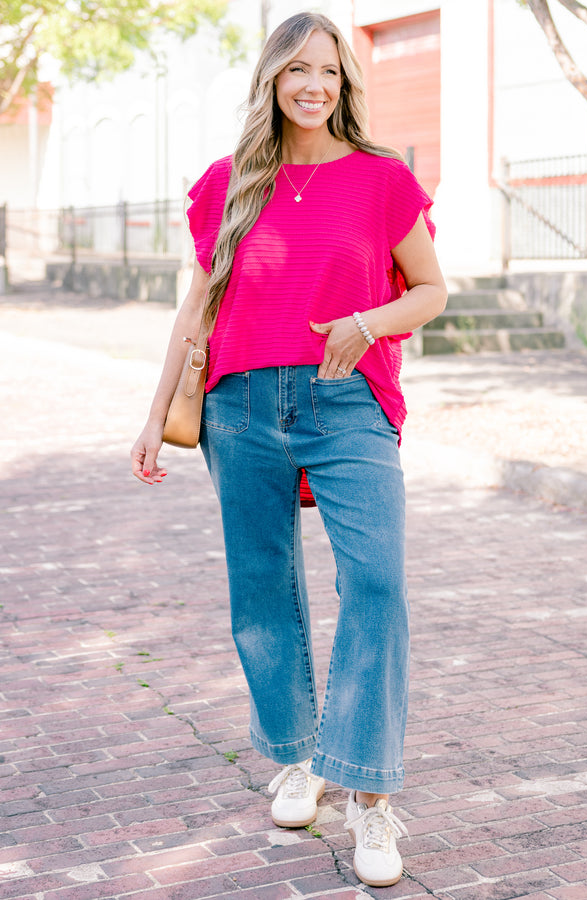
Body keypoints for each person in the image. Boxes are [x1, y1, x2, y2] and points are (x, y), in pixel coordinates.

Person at [131, 11, 447, 889]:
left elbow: (430, 290)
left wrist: (366, 321)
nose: (315, 85)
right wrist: (156, 412)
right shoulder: (226, 183)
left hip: (349, 403)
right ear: (271, 79)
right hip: (238, 406)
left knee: (376, 583)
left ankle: (372, 798)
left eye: (331, 72)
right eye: (298, 70)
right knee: (263, 591)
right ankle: (301, 757)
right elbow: (196, 308)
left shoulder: (382, 180)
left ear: (346, 85)